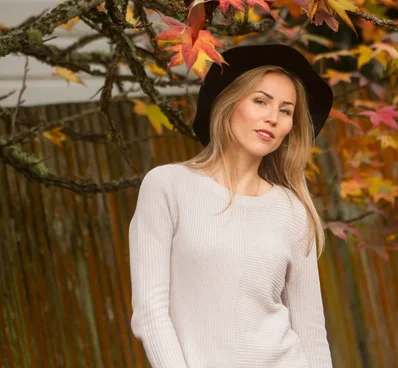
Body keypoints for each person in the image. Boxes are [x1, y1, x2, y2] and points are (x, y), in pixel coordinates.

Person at [128, 44, 334, 368]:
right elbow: (150, 313)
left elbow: (310, 332)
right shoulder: (167, 186)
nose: (272, 117)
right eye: (261, 101)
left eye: (286, 110)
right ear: (229, 102)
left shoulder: (293, 211)